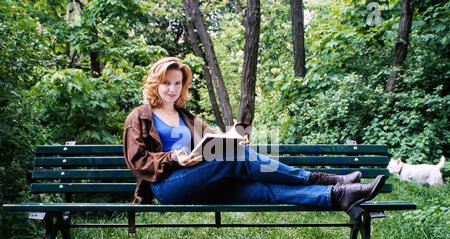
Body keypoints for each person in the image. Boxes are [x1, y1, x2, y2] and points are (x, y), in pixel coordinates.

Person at [123, 57, 386, 218]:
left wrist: (233, 139)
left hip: (204, 182)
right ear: (155, 83)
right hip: (168, 187)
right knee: (236, 157)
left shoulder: (187, 117)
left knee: (264, 190)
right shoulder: (140, 116)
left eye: (178, 83)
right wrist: (173, 158)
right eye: (166, 82)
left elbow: (215, 142)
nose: (172, 88)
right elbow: (137, 161)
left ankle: (336, 194)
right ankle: (319, 177)